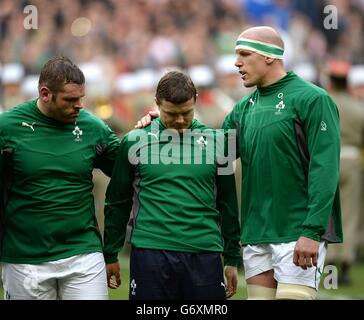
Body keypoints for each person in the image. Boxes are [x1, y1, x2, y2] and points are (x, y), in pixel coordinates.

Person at [136, 26, 343, 300]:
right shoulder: (243, 109)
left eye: (244, 54)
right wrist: (163, 122)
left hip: (297, 231)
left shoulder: (313, 99)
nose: (237, 63)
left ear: (269, 56)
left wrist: (312, 232)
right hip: (256, 234)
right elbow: (210, 149)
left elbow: (325, 170)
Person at [103, 70, 241, 300]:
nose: (179, 120)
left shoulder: (219, 142)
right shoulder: (134, 141)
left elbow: (227, 202)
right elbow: (117, 201)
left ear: (195, 100)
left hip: (204, 252)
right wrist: (111, 253)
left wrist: (232, 257)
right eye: (171, 114)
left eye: (186, 113)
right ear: (156, 104)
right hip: (151, 253)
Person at [0, 56, 120, 300]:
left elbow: (130, 169)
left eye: (81, 98)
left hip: (83, 253)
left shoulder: (93, 128)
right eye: (70, 100)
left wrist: (150, 134)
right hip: (25, 258)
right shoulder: (7, 128)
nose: (79, 105)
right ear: (45, 94)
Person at [325, 60, 364, 285]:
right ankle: (346, 266)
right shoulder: (358, 107)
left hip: (326, 161)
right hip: (351, 161)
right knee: (349, 215)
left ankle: (328, 262)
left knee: (327, 214)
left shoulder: (323, 102)